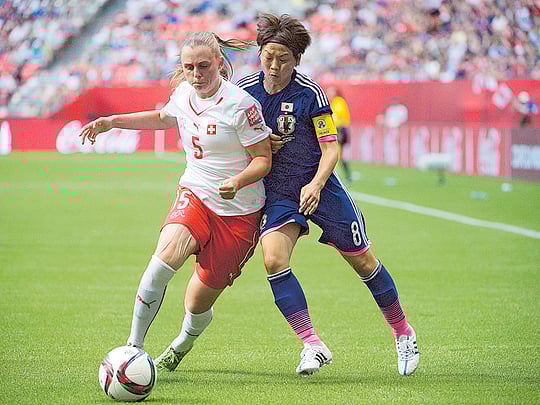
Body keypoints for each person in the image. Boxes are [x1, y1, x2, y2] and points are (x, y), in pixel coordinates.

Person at [236, 13, 420, 376]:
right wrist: (256, 145)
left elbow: (331, 148)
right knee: (273, 259)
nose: (273, 66)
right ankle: (312, 344)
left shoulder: (310, 93)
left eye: (283, 59)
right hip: (279, 194)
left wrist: (316, 184)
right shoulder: (244, 92)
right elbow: (233, 140)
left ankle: (402, 332)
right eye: (268, 56)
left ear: (297, 60)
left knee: (364, 262)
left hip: (321, 188)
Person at [79, 32, 272, 371]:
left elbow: (262, 159)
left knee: (197, 303)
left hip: (239, 212)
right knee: (160, 264)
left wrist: (238, 180)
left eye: (203, 66)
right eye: (189, 68)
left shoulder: (242, 106)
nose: (197, 75)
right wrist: (114, 122)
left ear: (219, 64)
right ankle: (133, 350)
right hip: (195, 193)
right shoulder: (183, 93)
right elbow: (162, 118)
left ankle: (182, 342)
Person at [326, 86, 352, 183]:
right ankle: (344, 175)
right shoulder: (328, 102)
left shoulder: (339, 102)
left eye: (332, 92)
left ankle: (335, 175)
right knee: (336, 154)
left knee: (336, 153)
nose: (330, 94)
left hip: (339, 130)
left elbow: (340, 118)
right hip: (331, 130)